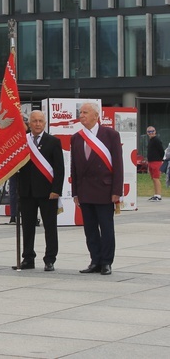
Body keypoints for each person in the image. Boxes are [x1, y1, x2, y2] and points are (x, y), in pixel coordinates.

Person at [71, 102, 123, 276]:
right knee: (90, 229)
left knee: (106, 228)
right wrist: (75, 192)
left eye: (85, 112)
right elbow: (74, 167)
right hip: (85, 191)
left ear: (96, 115)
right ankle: (95, 260)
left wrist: (117, 191)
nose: (82, 115)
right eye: (80, 112)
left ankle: (106, 262)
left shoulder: (110, 135)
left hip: (105, 191)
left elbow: (118, 165)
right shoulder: (76, 137)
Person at [16, 110, 65, 272]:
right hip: (26, 192)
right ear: (29, 123)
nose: (37, 124)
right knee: (27, 227)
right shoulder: (23, 141)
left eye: (40, 121)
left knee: (50, 227)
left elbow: (59, 169)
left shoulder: (53, 142)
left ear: (45, 123)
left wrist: (56, 190)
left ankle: (50, 259)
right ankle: (28, 258)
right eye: (34, 121)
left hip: (47, 192)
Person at [146, 126, 163, 202]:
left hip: (156, 162)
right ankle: (156, 194)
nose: (151, 133)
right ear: (147, 133)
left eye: (152, 131)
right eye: (149, 131)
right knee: (153, 178)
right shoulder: (150, 141)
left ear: (155, 131)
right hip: (150, 162)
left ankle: (158, 195)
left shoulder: (157, 140)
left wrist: (160, 160)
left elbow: (161, 151)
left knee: (156, 178)